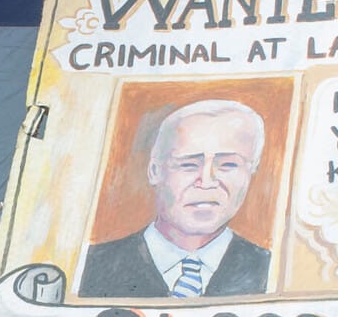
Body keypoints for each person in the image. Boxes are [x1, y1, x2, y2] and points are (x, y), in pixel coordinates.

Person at [79, 99, 271, 299]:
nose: (206, 182)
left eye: (228, 165)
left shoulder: (270, 270)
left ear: (251, 171)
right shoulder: (91, 266)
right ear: (154, 171)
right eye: (188, 165)